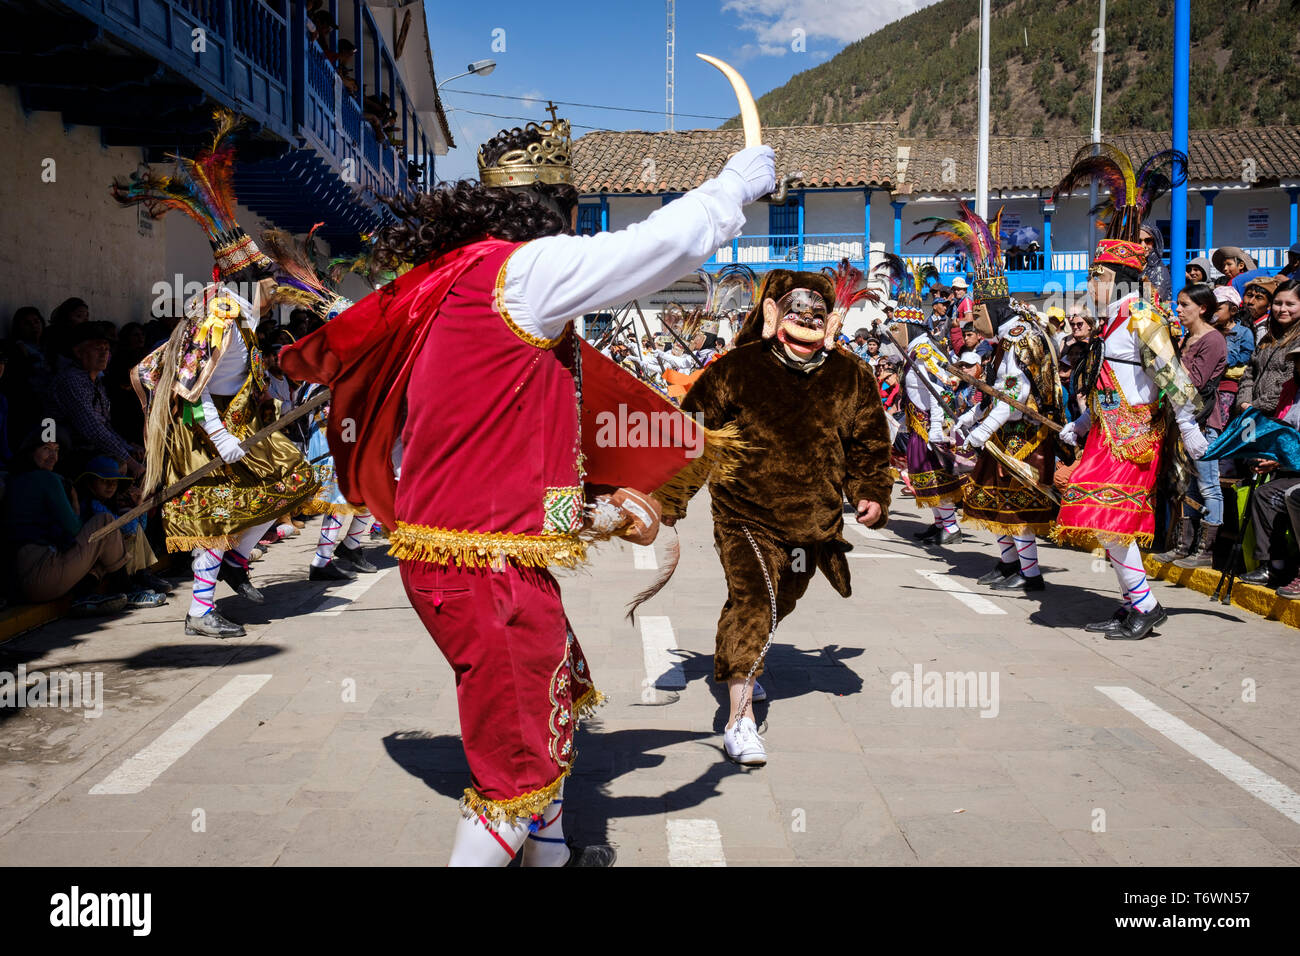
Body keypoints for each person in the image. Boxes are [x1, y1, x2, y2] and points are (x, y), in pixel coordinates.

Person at [280, 110, 772, 867]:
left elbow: (501, 468)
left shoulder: (461, 281)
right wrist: (732, 188)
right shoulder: (524, 271)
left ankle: (555, 854)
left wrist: (604, 512)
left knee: (554, 710)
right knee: (516, 770)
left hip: (472, 558)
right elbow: (650, 250)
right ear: (561, 215)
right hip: (483, 572)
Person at [669, 263, 893, 767]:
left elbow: (870, 445)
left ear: (831, 321)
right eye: (798, 309)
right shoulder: (736, 369)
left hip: (813, 524)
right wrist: (669, 499)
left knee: (777, 603)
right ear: (774, 314)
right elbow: (692, 435)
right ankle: (739, 719)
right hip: (744, 512)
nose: (808, 319)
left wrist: (872, 491)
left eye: (819, 312)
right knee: (754, 598)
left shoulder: (851, 375)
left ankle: (747, 660)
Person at [112, 110, 321, 639]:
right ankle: (200, 611)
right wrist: (222, 436)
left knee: (298, 476)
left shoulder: (244, 318)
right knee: (214, 514)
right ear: (244, 281)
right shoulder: (218, 317)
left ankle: (235, 562)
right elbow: (186, 387)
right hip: (203, 426)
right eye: (264, 279)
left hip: (237, 420)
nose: (271, 286)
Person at [1052, 142, 1203, 640]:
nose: (1088, 284)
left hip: (1134, 437)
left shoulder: (1142, 318)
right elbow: (1107, 384)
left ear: (1118, 278)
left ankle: (1145, 606)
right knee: (1103, 521)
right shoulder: (1112, 322)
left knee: (1110, 519)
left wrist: (1189, 429)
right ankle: (1135, 602)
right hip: (1109, 431)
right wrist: (1080, 424)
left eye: (1096, 277)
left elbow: (1172, 378)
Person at [917, 204, 1064, 591]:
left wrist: (979, 432)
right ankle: (1007, 563)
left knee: (1015, 508)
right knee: (991, 502)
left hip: (1022, 438)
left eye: (978, 311)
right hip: (1002, 435)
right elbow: (992, 394)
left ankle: (1029, 574)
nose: (972, 319)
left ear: (995, 308)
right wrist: (968, 420)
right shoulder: (999, 342)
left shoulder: (1019, 340)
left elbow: (1011, 398)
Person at [5, 430, 154, 613]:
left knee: (99, 547)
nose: (53, 456)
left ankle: (85, 596)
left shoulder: (14, 479)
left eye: (56, 449)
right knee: (104, 523)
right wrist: (75, 501)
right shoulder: (47, 479)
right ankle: (128, 590)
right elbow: (74, 529)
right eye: (46, 449)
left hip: (21, 581)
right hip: (40, 573)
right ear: (30, 452)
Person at [886, 257, 967, 543]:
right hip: (919, 427)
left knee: (935, 477)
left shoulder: (925, 353)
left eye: (896, 329)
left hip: (931, 428)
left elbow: (942, 390)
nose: (893, 335)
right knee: (924, 476)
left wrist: (937, 430)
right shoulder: (913, 352)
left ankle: (951, 528)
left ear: (909, 328)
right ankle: (939, 523)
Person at [1154, 285, 1227, 568]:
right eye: (1179, 305)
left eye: (1185, 305)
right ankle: (1184, 544)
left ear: (1203, 308)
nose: (1179, 310)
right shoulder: (1187, 339)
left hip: (1203, 421)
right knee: (1185, 485)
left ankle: (1205, 549)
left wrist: (1167, 354)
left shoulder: (1213, 339)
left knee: (1209, 486)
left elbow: (1193, 382)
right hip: (1181, 421)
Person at [1237, 281, 1300, 589]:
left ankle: (1278, 564)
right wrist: (1246, 402)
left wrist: (1262, 410)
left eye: (1290, 304)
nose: (1282, 309)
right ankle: (1269, 562)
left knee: (1273, 489)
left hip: (1279, 420)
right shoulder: (1268, 336)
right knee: (1260, 487)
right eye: (1278, 303)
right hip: (1256, 417)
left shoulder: (1298, 341)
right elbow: (1249, 371)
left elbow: (1289, 386)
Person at [46, 324, 145, 478]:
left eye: (106, 349)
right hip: (72, 453)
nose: (104, 353)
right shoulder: (71, 381)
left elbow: (105, 425)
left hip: (91, 448)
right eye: (98, 348)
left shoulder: (96, 381)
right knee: (120, 467)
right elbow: (93, 429)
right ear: (78, 352)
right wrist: (129, 460)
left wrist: (128, 448)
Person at [74, 455, 170, 598]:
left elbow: (140, 529)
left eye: (114, 482)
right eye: (104, 481)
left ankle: (141, 573)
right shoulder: (92, 505)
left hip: (102, 556)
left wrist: (139, 506)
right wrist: (133, 512)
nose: (111, 486)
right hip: (88, 557)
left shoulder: (108, 504)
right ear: (90, 483)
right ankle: (136, 578)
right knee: (128, 532)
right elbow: (131, 529)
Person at [1139, 223, 1173, 305]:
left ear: (1155, 242)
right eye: (1138, 240)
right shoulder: (1127, 267)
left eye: (1148, 241)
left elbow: (1154, 302)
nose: (1143, 245)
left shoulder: (1159, 270)